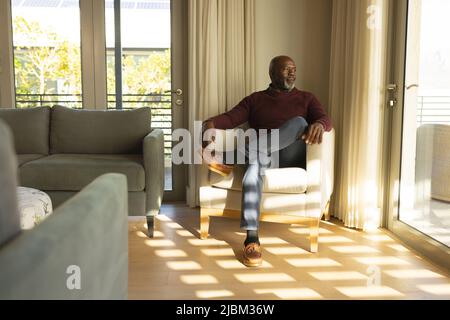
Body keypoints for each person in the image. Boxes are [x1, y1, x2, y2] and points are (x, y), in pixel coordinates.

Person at [202, 55, 332, 267]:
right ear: (272, 74)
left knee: (299, 122)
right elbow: (232, 117)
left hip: (290, 155)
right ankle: (252, 239)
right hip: (262, 155)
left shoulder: (307, 98)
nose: (292, 72)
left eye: (294, 69)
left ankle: (229, 158)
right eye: (286, 69)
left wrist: (318, 123)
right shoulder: (255, 99)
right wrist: (211, 123)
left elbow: (326, 119)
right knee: (253, 166)